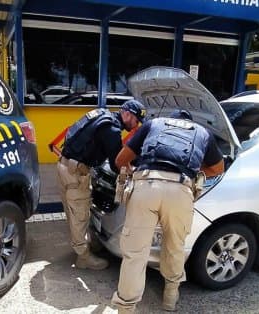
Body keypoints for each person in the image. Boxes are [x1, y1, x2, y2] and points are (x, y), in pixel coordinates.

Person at [111, 109, 224, 313]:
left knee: (135, 253)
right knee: (174, 245)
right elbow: (218, 168)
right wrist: (194, 174)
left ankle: (126, 308)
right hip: (180, 192)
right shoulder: (203, 132)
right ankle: (170, 296)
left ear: (170, 119)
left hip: (146, 185)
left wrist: (132, 169)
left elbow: (120, 160)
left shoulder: (153, 124)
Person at [57, 100, 146, 270]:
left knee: (73, 212)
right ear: (127, 113)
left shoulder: (101, 114)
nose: (135, 126)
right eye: (136, 121)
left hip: (64, 165)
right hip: (76, 173)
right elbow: (116, 163)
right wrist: (133, 166)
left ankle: (84, 244)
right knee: (79, 215)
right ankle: (83, 257)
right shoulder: (112, 129)